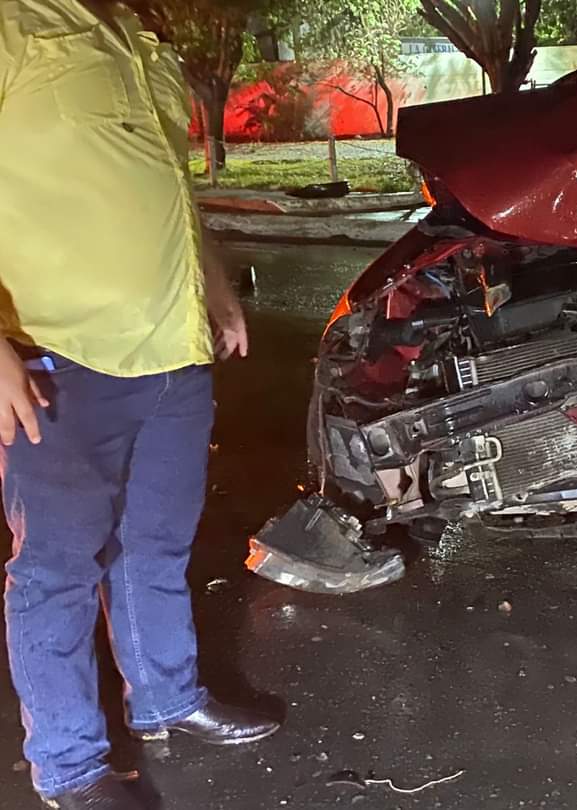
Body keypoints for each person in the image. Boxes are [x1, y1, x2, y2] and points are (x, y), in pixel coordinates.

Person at [0, 1, 281, 808]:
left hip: (173, 355)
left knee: (155, 545)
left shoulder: (137, 37)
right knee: (54, 572)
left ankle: (165, 698)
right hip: (58, 357)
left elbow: (166, 189)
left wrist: (215, 284)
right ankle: (69, 767)